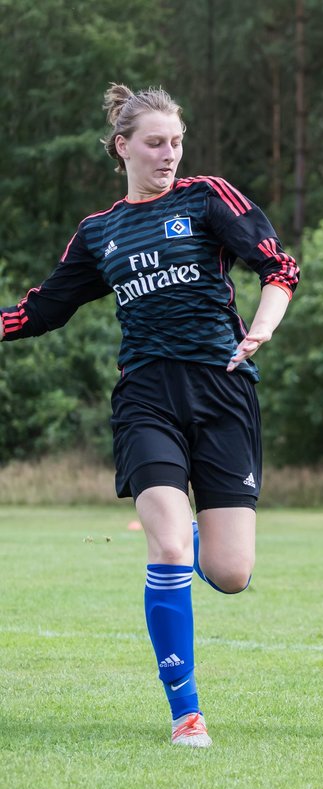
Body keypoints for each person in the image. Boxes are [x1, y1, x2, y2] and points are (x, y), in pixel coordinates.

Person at [0, 84, 298, 747]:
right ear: (123, 146)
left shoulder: (206, 197)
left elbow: (278, 269)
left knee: (229, 573)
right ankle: (185, 713)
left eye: (177, 142)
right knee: (166, 546)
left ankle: (190, 537)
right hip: (146, 398)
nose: (169, 155)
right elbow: (42, 310)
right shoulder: (100, 232)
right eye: (156, 143)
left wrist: (262, 329)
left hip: (223, 395)